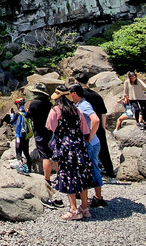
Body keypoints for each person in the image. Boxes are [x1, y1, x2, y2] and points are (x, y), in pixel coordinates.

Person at [46, 87, 95, 221]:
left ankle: (73, 209)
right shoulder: (77, 110)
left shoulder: (55, 110)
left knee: (68, 176)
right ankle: (85, 208)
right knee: (81, 175)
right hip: (79, 146)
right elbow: (85, 129)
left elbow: (50, 127)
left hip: (64, 147)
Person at [70, 83, 106, 210]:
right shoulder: (79, 104)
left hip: (91, 143)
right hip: (91, 143)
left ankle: (98, 198)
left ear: (74, 93)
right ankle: (90, 195)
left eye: (69, 93)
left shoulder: (84, 105)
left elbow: (95, 120)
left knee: (93, 168)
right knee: (88, 168)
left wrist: (89, 137)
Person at [73, 73, 115, 179]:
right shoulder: (96, 95)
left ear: (77, 82)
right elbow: (103, 112)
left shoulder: (79, 96)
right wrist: (103, 126)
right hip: (98, 126)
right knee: (103, 150)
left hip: (84, 126)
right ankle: (110, 173)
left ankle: (87, 174)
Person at [26, 84, 60, 201]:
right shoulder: (49, 103)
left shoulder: (34, 103)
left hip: (40, 131)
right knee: (54, 154)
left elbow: (28, 115)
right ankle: (60, 176)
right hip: (50, 131)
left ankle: (47, 179)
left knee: (45, 156)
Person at [12, 98, 32, 173]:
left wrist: (12, 116)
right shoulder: (27, 114)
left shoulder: (18, 114)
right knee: (26, 152)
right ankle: (29, 169)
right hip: (26, 136)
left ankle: (21, 168)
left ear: (18, 105)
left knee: (18, 152)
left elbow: (12, 122)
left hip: (19, 136)